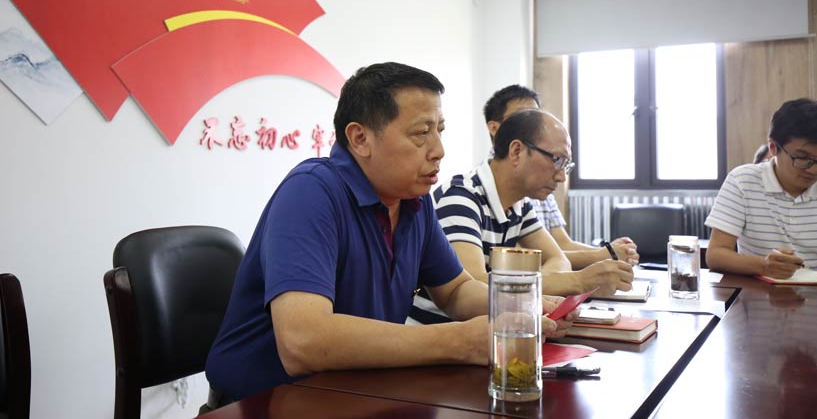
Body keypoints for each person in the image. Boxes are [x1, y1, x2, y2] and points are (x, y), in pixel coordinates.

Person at [205, 63, 570, 404]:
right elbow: (303, 341)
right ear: (360, 138)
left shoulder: (413, 201)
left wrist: (521, 306)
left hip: (356, 393)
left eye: (440, 131)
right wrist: (458, 341)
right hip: (267, 402)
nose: (439, 151)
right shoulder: (311, 192)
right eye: (421, 133)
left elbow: (456, 290)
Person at [409, 108, 633, 325]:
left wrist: (538, 295)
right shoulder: (461, 197)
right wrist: (575, 281)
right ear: (516, 151)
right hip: (438, 333)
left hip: (492, 328)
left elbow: (558, 258)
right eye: (557, 159)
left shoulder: (520, 204)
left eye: (566, 165)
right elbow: (474, 285)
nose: (562, 177)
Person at [483, 85, 638, 267]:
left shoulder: (538, 185)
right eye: (522, 116)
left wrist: (610, 253)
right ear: (495, 128)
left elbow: (560, 246)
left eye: (536, 115)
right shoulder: (487, 190)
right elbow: (520, 258)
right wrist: (604, 256)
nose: (561, 177)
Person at [706, 98, 817, 284]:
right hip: (758, 293)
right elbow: (715, 255)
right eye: (803, 158)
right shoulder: (743, 181)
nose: (814, 170)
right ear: (773, 148)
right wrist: (764, 266)